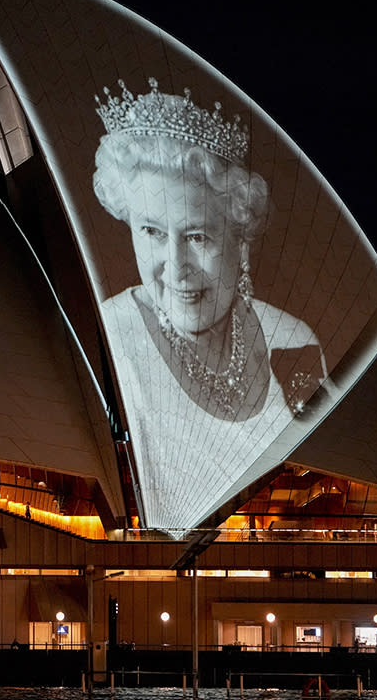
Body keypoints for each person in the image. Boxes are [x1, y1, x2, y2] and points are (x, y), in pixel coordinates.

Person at [93, 78, 328, 531]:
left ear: (240, 238)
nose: (175, 266)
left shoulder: (295, 340)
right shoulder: (107, 341)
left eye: (197, 236)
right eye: (153, 232)